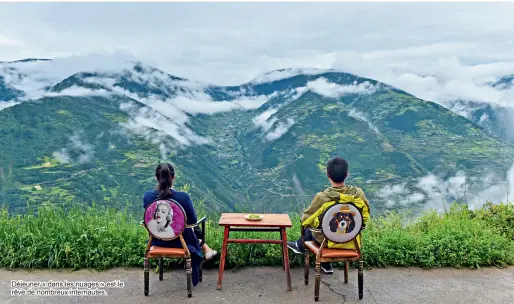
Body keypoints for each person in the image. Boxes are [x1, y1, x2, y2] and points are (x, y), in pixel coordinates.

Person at [288, 157, 371, 274]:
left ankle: (301, 247)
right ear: (347, 174)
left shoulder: (323, 197)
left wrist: (319, 223)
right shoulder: (359, 194)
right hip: (351, 241)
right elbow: (365, 217)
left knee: (311, 228)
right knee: (320, 227)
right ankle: (325, 264)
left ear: (327, 174)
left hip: (326, 242)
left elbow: (305, 219)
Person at [143, 163, 217, 287]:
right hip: (182, 242)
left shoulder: (148, 196)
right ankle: (205, 248)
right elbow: (193, 221)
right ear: (173, 178)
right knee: (193, 229)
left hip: (157, 240)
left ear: (156, 178)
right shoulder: (183, 197)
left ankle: (206, 248)